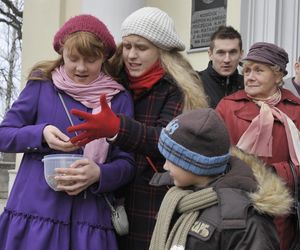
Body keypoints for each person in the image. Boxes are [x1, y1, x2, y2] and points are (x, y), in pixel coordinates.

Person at [67, 7, 208, 250]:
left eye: (141, 48)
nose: (131, 55)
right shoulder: (114, 80)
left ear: (162, 52)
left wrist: (118, 128)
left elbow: (168, 140)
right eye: (128, 46)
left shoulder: (176, 88)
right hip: (104, 196)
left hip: (151, 201)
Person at [0, 14, 135, 250]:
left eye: (91, 60)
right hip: (34, 216)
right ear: (62, 52)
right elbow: (4, 135)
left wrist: (99, 174)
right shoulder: (42, 85)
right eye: (73, 58)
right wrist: (40, 134)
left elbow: (127, 162)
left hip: (89, 222)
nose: (81, 68)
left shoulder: (119, 98)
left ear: (104, 57)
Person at [149, 108, 292, 250]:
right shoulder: (179, 198)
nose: (165, 166)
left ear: (196, 164)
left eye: (172, 159)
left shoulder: (245, 220)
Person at [216, 42, 300, 250]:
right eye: (247, 70)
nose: (250, 76)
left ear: (278, 75)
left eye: (258, 70)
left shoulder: (296, 111)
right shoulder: (227, 106)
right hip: (234, 205)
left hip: (280, 209)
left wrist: (273, 173)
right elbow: (212, 152)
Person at [198, 25, 244, 108]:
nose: (227, 60)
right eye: (221, 53)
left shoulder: (248, 85)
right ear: (210, 54)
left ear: (241, 54)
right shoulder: (194, 83)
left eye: (232, 52)